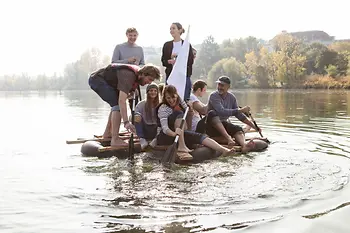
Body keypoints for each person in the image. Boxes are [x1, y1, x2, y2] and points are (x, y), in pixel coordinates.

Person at [88, 63, 161, 147]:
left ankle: (108, 133)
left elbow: (127, 99)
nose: (149, 83)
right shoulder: (129, 75)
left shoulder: (136, 76)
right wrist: (126, 122)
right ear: (143, 74)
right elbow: (121, 101)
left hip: (106, 82)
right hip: (97, 80)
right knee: (117, 104)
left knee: (116, 103)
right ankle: (115, 139)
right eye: (149, 79)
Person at [156, 85, 236, 161]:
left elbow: (188, 113)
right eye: (168, 98)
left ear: (176, 95)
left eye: (173, 97)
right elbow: (165, 129)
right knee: (178, 114)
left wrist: (190, 110)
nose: (171, 100)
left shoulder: (180, 101)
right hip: (166, 135)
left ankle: (224, 150)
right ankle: (181, 146)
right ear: (165, 98)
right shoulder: (163, 108)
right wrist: (174, 134)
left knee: (198, 136)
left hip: (181, 133)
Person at [207, 76, 261, 153]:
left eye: (222, 85)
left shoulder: (231, 97)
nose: (219, 87)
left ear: (228, 87)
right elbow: (221, 111)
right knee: (214, 115)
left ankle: (244, 145)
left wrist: (254, 127)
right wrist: (240, 110)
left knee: (238, 129)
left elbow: (239, 115)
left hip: (223, 124)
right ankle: (226, 138)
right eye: (218, 85)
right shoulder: (214, 96)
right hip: (210, 125)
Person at [187, 80, 236, 146]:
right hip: (195, 128)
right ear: (199, 89)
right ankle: (223, 138)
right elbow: (204, 111)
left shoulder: (195, 99)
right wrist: (212, 99)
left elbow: (206, 108)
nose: (205, 92)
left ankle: (222, 137)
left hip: (198, 126)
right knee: (212, 114)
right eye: (204, 90)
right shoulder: (192, 98)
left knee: (217, 117)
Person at [161, 22, 194, 101]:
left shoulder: (186, 44)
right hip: (171, 75)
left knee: (184, 99)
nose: (171, 30)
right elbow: (163, 61)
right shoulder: (167, 45)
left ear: (180, 30)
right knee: (169, 98)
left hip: (183, 75)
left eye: (173, 28)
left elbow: (190, 61)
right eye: (170, 29)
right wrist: (169, 62)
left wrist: (179, 61)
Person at [134, 83, 159, 149]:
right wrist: (136, 115)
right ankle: (142, 139)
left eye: (155, 91)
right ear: (147, 92)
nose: (153, 92)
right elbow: (135, 113)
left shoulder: (161, 104)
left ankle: (156, 139)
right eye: (151, 90)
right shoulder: (141, 104)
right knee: (137, 116)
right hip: (145, 128)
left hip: (156, 129)